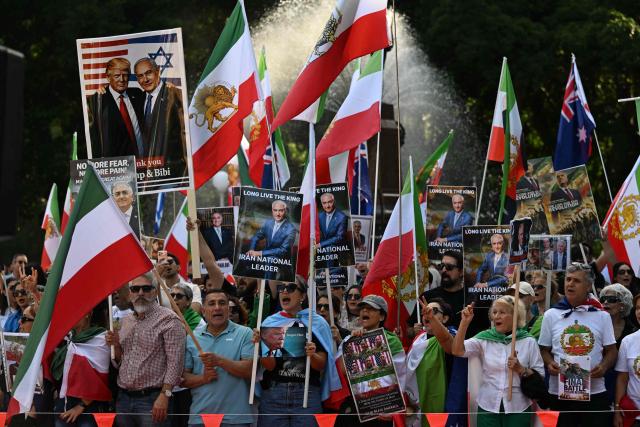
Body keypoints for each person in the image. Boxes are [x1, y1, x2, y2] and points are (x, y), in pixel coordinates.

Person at [539, 262, 617, 427]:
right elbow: (544, 350)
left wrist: (603, 367)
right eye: (568, 279)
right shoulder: (550, 315)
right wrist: (550, 363)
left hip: (595, 394)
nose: (570, 284)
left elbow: (612, 351)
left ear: (588, 286)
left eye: (576, 281)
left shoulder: (602, 316)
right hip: (560, 394)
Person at [255, 276, 340, 427]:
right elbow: (269, 366)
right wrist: (262, 345)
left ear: (302, 296)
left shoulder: (317, 323)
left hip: (307, 395)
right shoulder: (269, 323)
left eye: (291, 288)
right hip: (274, 394)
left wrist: (312, 354)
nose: (284, 291)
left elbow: (321, 366)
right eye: (281, 288)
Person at [106, 272, 186, 427]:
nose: (140, 293)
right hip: (124, 398)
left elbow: (175, 363)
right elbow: (121, 361)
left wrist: (165, 395)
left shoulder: (169, 320)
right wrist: (115, 345)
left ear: (155, 291)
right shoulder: (124, 322)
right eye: (135, 289)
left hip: (153, 399)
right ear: (130, 294)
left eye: (146, 288)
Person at [452, 298, 544, 426]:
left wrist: (521, 369)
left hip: (518, 408)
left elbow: (540, 376)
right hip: (488, 407)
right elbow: (457, 350)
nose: (496, 316)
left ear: (515, 316)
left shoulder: (528, 341)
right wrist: (464, 322)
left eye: (502, 312)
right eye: (494, 312)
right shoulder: (484, 338)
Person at [182, 289, 255, 427]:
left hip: (236, 420)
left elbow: (249, 371)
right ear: (203, 311)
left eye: (222, 303)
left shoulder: (245, 333)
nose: (217, 307)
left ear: (229, 309)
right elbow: (182, 379)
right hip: (200, 419)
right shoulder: (192, 338)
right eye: (211, 303)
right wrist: (203, 378)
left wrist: (219, 361)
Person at [335, 295, 410, 427]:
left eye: (370, 309)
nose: (364, 311)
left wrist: (392, 408)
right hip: (358, 408)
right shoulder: (349, 340)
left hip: (384, 408)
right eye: (362, 308)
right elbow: (341, 371)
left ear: (381, 317)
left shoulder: (392, 341)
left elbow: (401, 376)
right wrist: (352, 345)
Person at [407, 298, 468, 426]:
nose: (427, 312)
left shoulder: (452, 335)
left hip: (443, 403)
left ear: (445, 319)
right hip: (418, 401)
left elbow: (448, 343)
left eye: (434, 311)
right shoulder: (419, 339)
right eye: (425, 310)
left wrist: (432, 320)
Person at [51, 310, 111, 427]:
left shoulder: (101, 337)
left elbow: (100, 378)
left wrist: (81, 405)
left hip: (90, 403)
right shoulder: (68, 337)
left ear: (87, 313)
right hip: (65, 400)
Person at [133, 58, 187, 179]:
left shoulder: (175, 95)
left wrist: (185, 173)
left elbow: (185, 135)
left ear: (158, 71)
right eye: (140, 76)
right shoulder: (136, 99)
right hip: (145, 176)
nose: (145, 79)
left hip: (172, 174)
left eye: (148, 73)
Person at [87, 57, 144, 158]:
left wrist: (168, 88)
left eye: (125, 75)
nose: (122, 80)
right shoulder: (97, 101)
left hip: (144, 162)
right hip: (116, 165)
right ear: (108, 77)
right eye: (117, 76)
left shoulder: (138, 94)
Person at [246, 200, 296, 280]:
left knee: (270, 260)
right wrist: (251, 249)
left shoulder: (291, 229)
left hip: (282, 262)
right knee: (245, 257)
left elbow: (282, 250)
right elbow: (256, 236)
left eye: (281, 210)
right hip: (266, 257)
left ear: (285, 211)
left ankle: (267, 286)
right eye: (275, 210)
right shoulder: (268, 223)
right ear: (272, 211)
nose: (278, 213)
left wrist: (260, 253)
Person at [614, 294, 640, 427]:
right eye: (637, 308)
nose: (639, 312)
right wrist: (617, 410)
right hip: (633, 414)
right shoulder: (628, 341)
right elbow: (622, 378)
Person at [419, 251, 465, 327]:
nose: (444, 270)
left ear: (461, 272)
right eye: (441, 266)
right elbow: (410, 329)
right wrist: (414, 330)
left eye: (449, 267)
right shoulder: (426, 297)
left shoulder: (471, 298)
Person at [318, 192, 348, 267]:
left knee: (329, 249)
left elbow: (339, 237)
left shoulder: (342, 217)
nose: (327, 206)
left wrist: (321, 244)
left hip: (336, 249)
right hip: (321, 249)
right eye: (324, 203)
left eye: (329, 202)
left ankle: (330, 274)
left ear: (334, 201)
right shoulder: (320, 216)